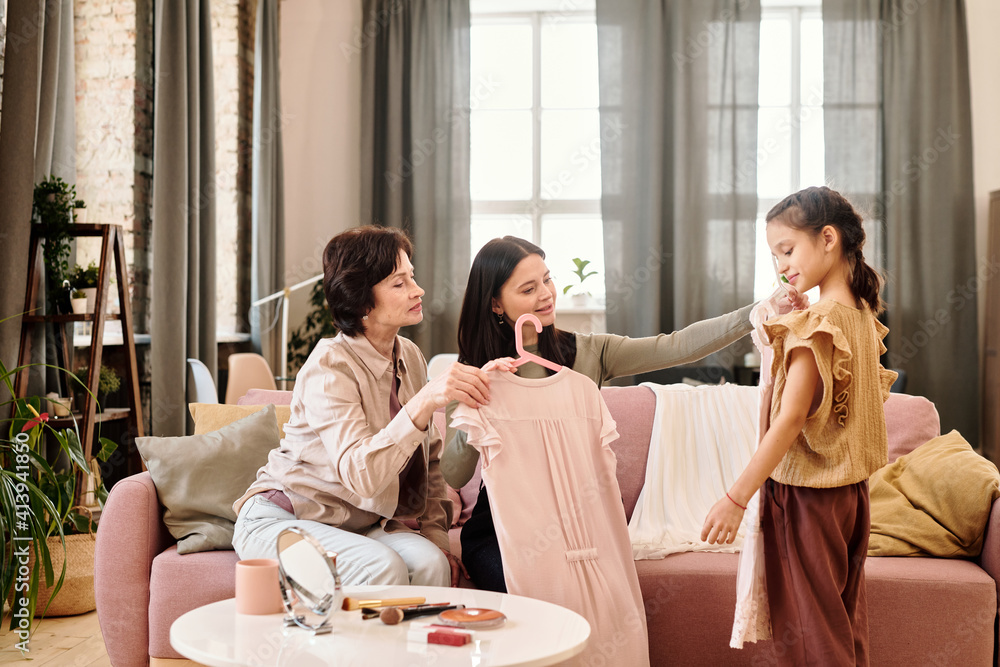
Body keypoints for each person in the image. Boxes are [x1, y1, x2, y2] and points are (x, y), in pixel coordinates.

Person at [443, 235, 808, 592]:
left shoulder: (589, 352)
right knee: (530, 591)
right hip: (503, 527)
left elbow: (677, 346)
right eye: (528, 289)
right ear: (495, 304)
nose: (546, 294)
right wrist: (474, 403)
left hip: (583, 519)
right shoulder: (475, 372)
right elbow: (455, 474)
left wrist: (758, 311)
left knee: (586, 594)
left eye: (548, 279)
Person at [232, 226, 494, 587]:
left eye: (411, 277)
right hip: (279, 520)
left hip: (356, 524)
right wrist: (423, 401)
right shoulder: (330, 366)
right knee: (383, 566)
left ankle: (419, 645)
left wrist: (438, 543)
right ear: (361, 301)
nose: (417, 290)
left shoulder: (410, 357)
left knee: (432, 564)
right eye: (399, 284)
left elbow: (429, 465)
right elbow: (362, 476)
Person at [701, 186, 897, 665]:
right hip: (852, 496)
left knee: (810, 639)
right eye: (774, 255)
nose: (781, 265)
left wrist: (734, 498)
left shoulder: (816, 323)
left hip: (807, 496)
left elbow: (789, 420)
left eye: (787, 250)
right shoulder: (861, 315)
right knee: (842, 627)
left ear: (828, 238)